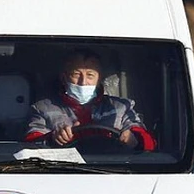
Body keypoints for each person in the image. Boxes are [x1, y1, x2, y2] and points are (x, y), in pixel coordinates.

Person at [25, 49, 156, 151]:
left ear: (99, 79)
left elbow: (149, 142)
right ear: (64, 78)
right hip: (62, 172)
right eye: (76, 74)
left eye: (90, 75)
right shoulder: (43, 108)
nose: (83, 82)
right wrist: (52, 138)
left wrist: (135, 139)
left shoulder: (121, 107)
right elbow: (30, 144)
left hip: (114, 171)